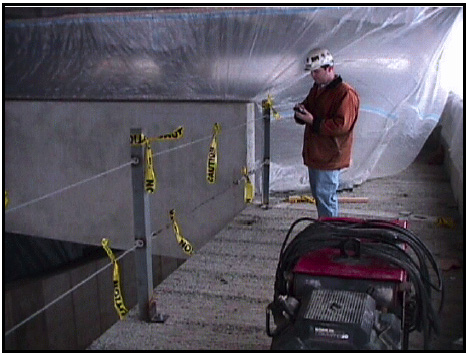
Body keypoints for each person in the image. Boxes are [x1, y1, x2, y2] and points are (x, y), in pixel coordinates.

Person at [294, 48, 360, 217]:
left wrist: (312, 121)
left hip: (330, 155)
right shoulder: (318, 88)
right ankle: (326, 229)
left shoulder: (345, 93)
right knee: (320, 195)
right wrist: (301, 112)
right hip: (317, 154)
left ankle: (330, 233)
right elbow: (309, 106)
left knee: (325, 196)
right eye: (311, 72)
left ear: (330, 69)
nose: (313, 76)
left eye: (316, 71)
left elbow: (341, 125)